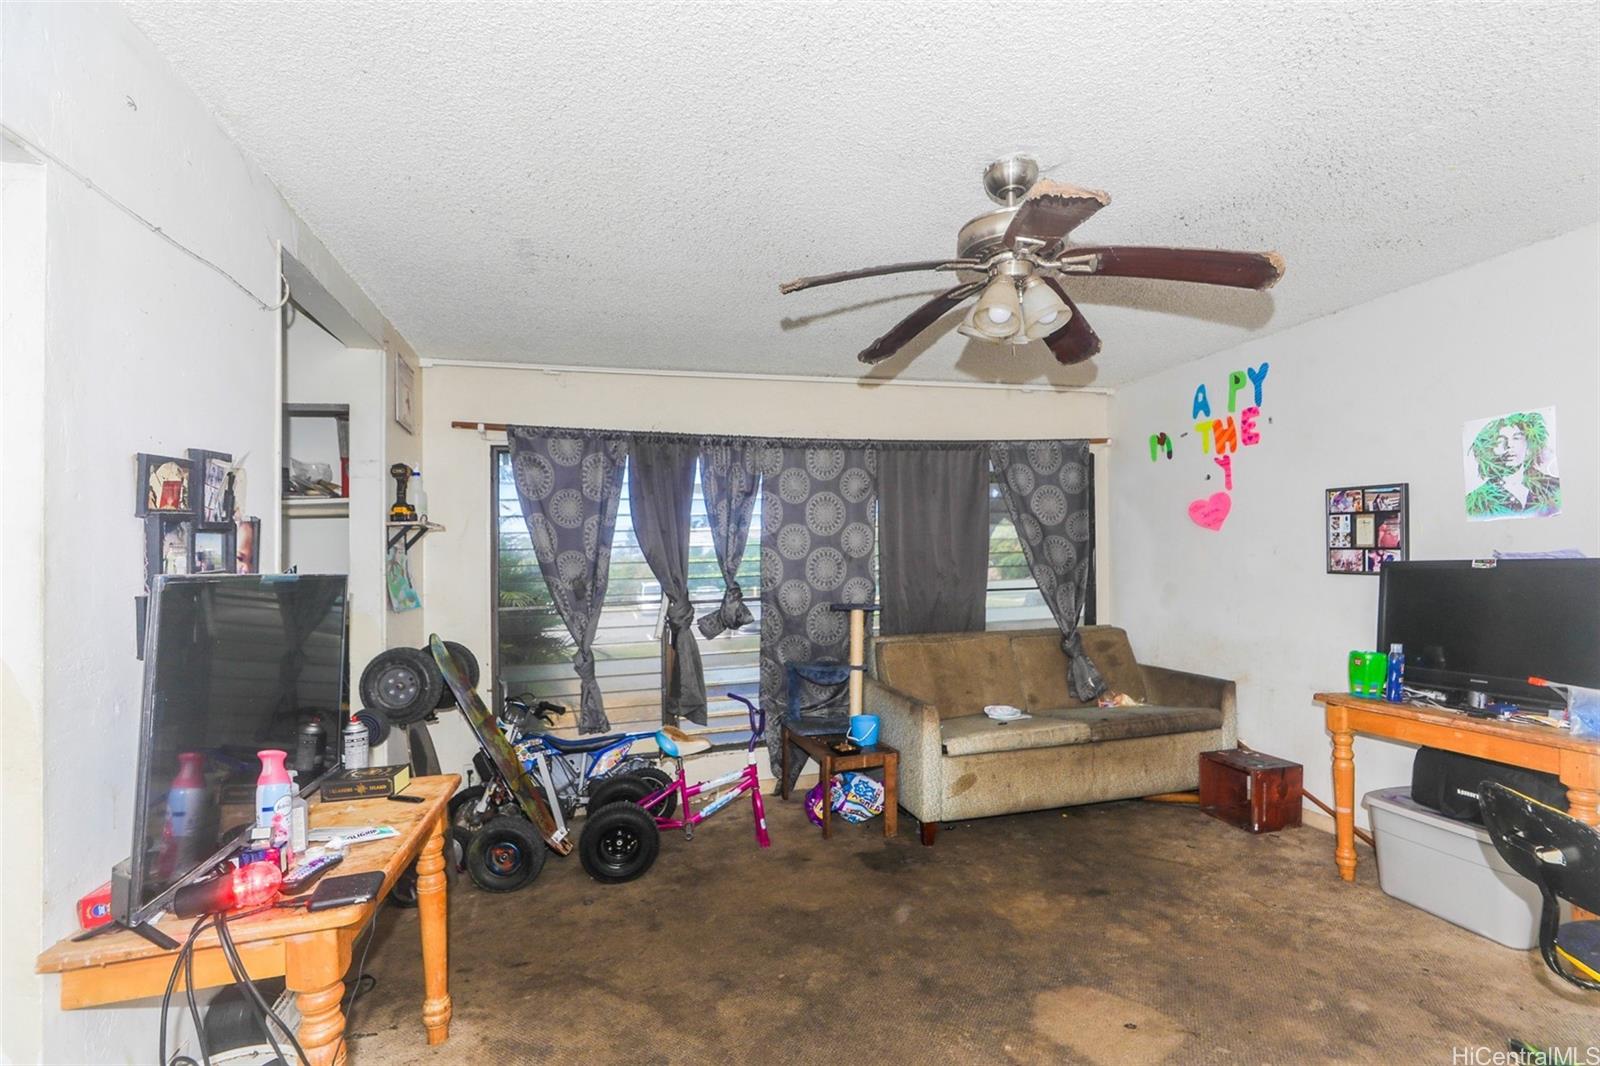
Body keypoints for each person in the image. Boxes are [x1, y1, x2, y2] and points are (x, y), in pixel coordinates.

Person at [1465, 412, 1560, 518]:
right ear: (1490, 449)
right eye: (1500, 440)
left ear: (1528, 445)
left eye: (1516, 438)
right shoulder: (1475, 503)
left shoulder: (1553, 487)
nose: (1509, 445)